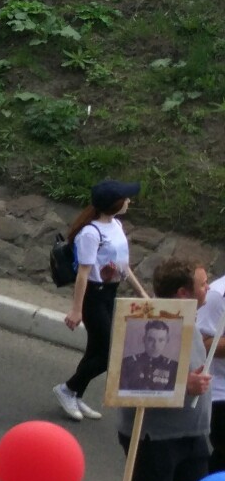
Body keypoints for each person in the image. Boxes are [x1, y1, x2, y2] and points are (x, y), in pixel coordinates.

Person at [90, 259, 215, 481]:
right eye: (203, 284)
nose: (208, 289)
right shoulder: (147, 324)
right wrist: (183, 386)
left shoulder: (190, 319)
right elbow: (130, 381)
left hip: (192, 432)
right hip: (153, 435)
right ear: (183, 293)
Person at [59, 179, 139, 423]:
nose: (129, 201)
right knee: (111, 353)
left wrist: (143, 294)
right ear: (114, 204)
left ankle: (75, 393)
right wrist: (76, 310)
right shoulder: (90, 234)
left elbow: (124, 267)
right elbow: (83, 274)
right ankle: (67, 388)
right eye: (125, 198)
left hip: (110, 294)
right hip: (94, 295)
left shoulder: (116, 225)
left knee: (95, 349)